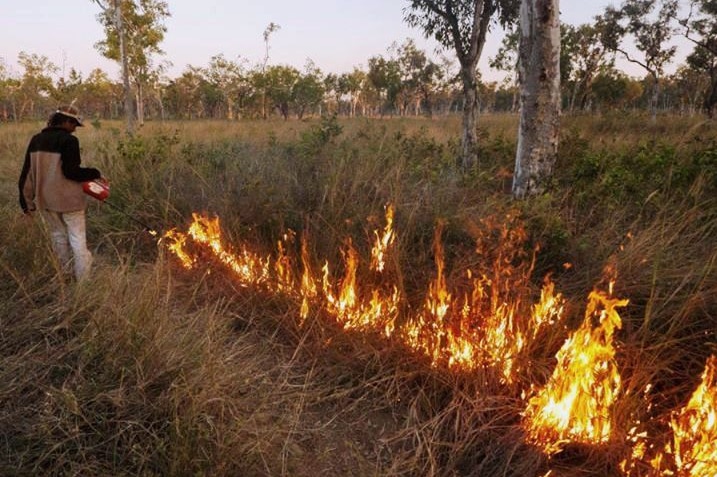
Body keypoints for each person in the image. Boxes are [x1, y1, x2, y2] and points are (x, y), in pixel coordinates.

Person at [18, 105, 102, 281]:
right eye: (74, 125)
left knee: (58, 238)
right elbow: (71, 172)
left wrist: (27, 205)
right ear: (65, 121)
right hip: (70, 201)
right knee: (78, 240)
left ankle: (65, 276)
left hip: (46, 202)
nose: (74, 129)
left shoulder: (36, 140)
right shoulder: (69, 141)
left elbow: (26, 175)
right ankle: (84, 284)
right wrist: (95, 173)